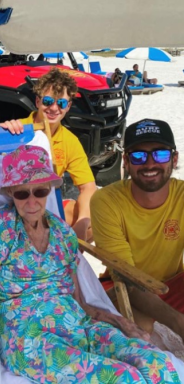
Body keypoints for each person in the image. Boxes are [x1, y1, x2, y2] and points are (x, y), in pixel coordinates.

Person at [0, 144, 180, 383]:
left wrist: (120, 321)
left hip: (77, 325)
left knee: (158, 364)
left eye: (40, 191)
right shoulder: (1, 226)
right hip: (27, 337)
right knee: (123, 377)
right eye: (23, 193)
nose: (32, 201)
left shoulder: (63, 234)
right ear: (11, 192)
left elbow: (80, 302)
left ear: (50, 190)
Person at [0, 67, 97, 242]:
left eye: (61, 103)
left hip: (42, 206)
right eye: (48, 101)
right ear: (37, 101)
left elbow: (88, 186)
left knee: (95, 220)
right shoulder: (15, 129)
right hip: (12, 206)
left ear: (69, 106)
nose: (54, 108)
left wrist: (82, 222)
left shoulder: (69, 141)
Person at [92, 118, 184, 343]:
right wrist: (178, 323)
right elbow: (127, 278)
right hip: (124, 287)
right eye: (138, 156)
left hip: (172, 282)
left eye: (160, 155)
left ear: (174, 159)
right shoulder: (106, 201)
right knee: (141, 332)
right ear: (125, 161)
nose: (150, 164)